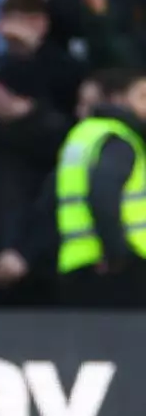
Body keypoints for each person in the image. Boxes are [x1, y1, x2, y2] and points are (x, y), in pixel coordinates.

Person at [54, 68, 146, 308]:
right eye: (142, 96)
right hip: (117, 268)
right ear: (118, 99)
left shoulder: (86, 134)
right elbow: (103, 194)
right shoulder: (118, 138)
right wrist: (118, 255)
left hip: (81, 262)